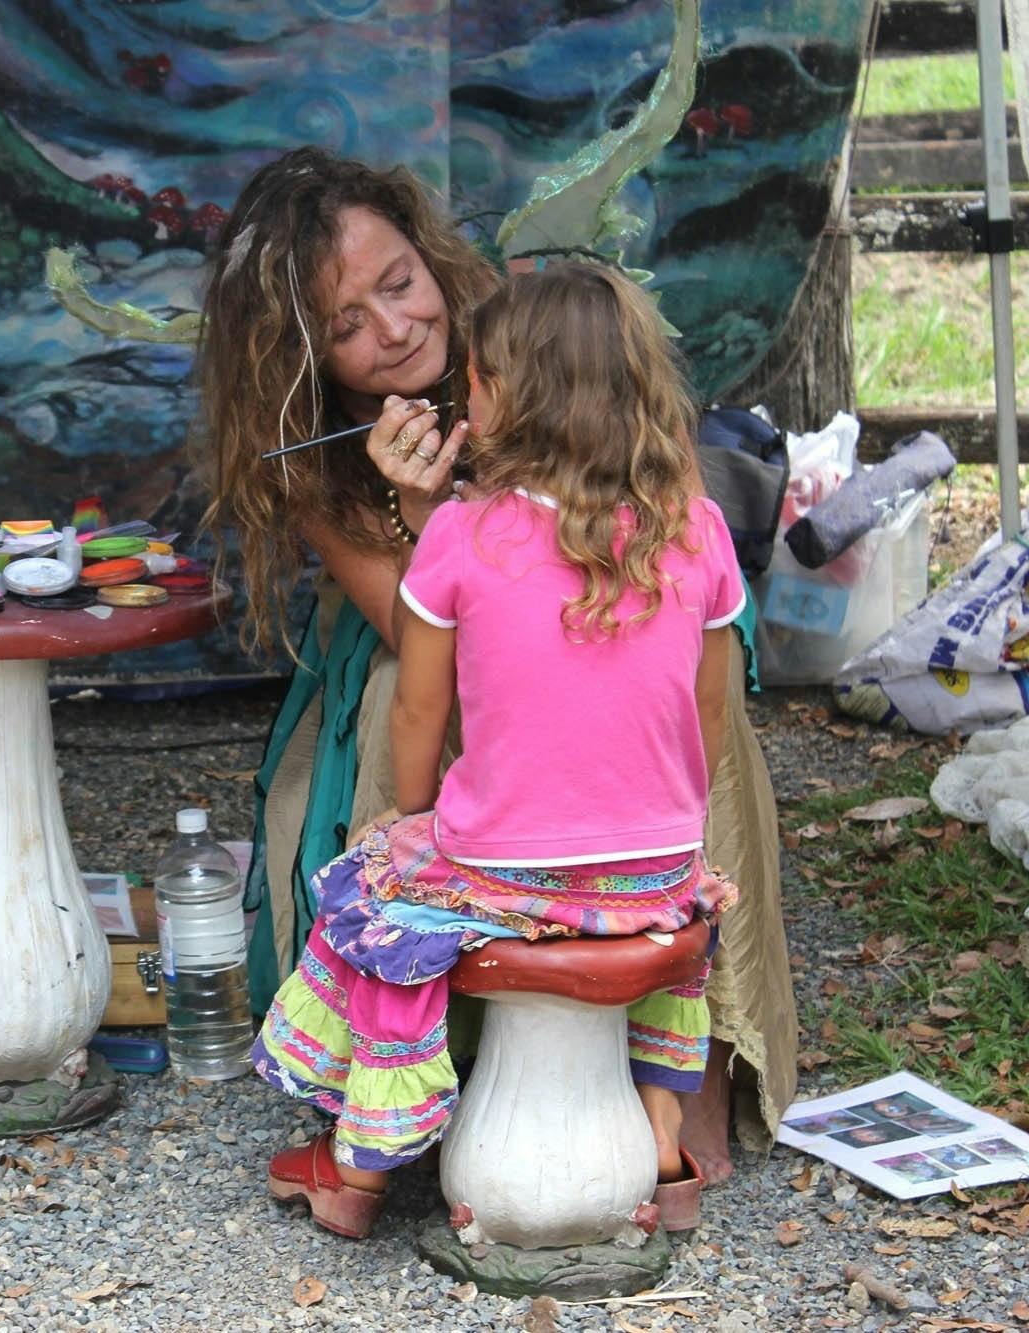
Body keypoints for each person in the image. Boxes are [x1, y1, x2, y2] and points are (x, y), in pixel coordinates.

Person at [193, 147, 795, 1183]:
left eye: (398, 285)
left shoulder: (545, 339)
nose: (394, 328)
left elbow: (664, 555)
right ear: (301, 361)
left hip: (611, 650)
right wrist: (423, 513)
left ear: (431, 260)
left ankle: (692, 1068)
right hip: (440, 661)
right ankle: (408, 1071)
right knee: (403, 696)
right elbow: (436, 642)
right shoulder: (316, 454)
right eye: (345, 325)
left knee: (689, 710)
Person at [253, 262, 740, 1237]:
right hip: (657, 868)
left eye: (470, 379)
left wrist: (406, 809)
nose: (457, 393)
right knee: (661, 934)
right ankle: (666, 1158)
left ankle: (354, 1168)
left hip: (500, 862)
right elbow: (711, 711)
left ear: (504, 398)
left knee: (368, 895)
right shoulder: (697, 530)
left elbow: (415, 709)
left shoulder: (464, 535)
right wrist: (662, 817)